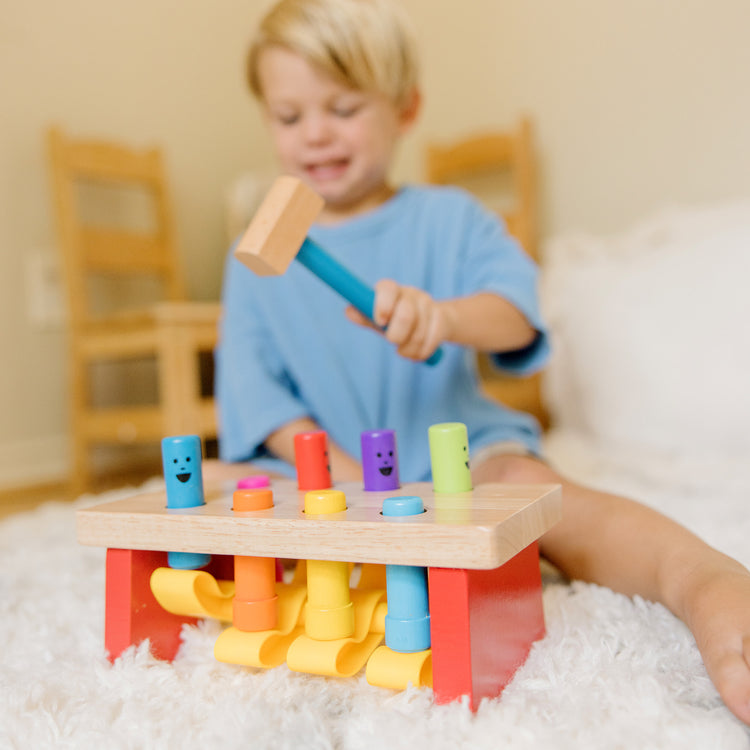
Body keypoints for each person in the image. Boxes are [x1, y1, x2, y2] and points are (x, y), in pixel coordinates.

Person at [213, 0, 750, 725]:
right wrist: (351, 486)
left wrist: (445, 317)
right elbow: (257, 400)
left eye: (342, 106)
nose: (314, 133)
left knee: (530, 489)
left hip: (458, 458)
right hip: (324, 471)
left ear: (406, 107)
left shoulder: (450, 218)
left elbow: (516, 314)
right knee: (221, 494)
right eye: (287, 116)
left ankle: (702, 578)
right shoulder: (250, 266)